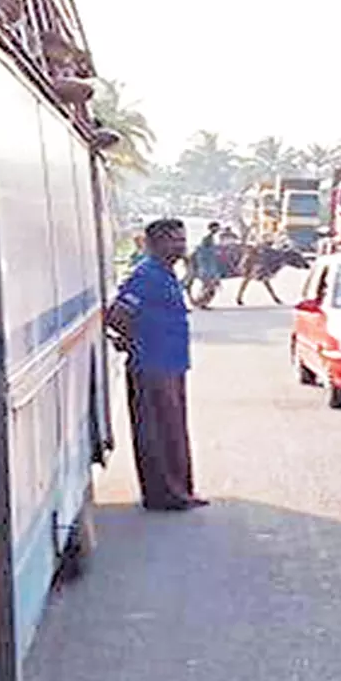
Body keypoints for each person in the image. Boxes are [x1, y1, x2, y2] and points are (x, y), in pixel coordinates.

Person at [107, 218, 208, 512]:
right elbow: (118, 314)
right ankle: (164, 494)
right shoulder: (146, 275)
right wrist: (131, 341)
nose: (180, 245)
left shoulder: (165, 274)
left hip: (171, 364)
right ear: (154, 244)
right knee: (157, 432)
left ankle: (180, 491)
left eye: (182, 239)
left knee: (173, 430)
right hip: (151, 365)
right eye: (173, 240)